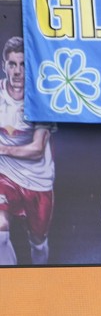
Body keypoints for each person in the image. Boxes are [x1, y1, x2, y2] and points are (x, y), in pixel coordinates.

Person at [0, 36, 55, 265]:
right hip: (5, 175)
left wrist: (3, 148)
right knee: (0, 229)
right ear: (4, 66)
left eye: (23, 64)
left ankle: (39, 285)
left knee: (38, 242)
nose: (17, 71)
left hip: (37, 182)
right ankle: (10, 283)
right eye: (12, 64)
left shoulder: (40, 98)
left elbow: (37, 150)